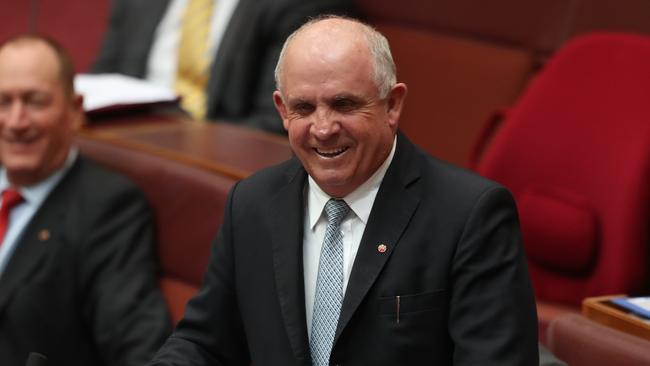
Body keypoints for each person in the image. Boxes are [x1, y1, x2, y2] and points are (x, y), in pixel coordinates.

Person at [148, 16, 538, 365]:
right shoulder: (250, 204)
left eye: (344, 104)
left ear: (393, 104)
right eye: (304, 108)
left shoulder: (469, 215)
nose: (323, 128)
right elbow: (205, 342)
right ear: (282, 110)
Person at [0, 35, 171, 366]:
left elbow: (138, 345)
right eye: (3, 102)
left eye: (35, 102)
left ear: (75, 110)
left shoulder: (108, 207)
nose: (17, 121)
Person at [92, 0, 356, 134]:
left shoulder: (296, 4)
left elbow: (283, 118)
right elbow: (103, 80)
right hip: (126, 139)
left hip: (216, 152)